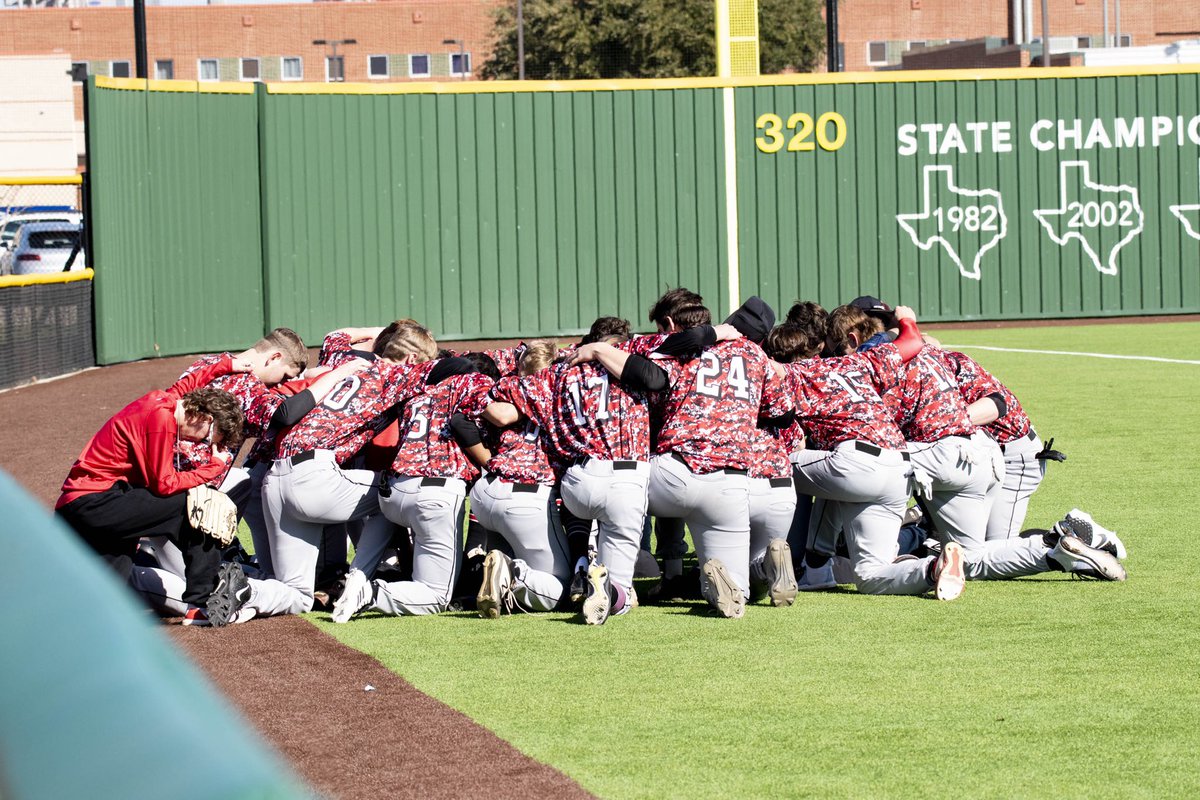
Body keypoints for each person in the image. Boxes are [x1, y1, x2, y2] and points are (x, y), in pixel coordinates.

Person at [216, 323, 441, 625]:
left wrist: (388, 329)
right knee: (395, 492)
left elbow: (335, 336)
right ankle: (358, 579)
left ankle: (248, 589)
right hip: (308, 474)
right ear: (412, 360)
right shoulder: (395, 376)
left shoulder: (341, 362)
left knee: (295, 592)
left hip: (272, 476)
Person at [55, 355, 250, 617]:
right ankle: (201, 602)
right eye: (207, 438)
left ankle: (84, 616)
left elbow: (191, 382)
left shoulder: (167, 400)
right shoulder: (161, 419)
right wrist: (213, 467)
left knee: (114, 569)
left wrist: (227, 366)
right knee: (201, 507)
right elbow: (165, 484)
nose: (203, 443)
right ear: (202, 417)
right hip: (95, 504)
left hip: (87, 503)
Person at [332, 357, 495, 620]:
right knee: (436, 596)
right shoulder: (470, 384)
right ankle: (370, 592)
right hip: (434, 493)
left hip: (394, 490)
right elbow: (462, 423)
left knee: (393, 524)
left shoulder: (418, 393)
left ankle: (358, 573)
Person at [471, 341, 574, 617]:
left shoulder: (504, 391)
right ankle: (512, 573)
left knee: (502, 559)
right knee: (560, 590)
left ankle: (502, 572)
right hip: (526, 498)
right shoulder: (561, 392)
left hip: (485, 491)